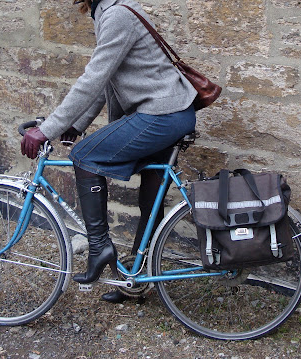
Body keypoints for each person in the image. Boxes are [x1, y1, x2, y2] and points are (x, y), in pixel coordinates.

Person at [21, 0, 197, 303]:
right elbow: (105, 82)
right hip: (171, 112)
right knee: (150, 200)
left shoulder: (116, 15)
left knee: (84, 156)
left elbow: (92, 79)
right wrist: (76, 124)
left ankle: (99, 246)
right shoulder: (114, 12)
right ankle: (136, 280)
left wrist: (47, 129)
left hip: (161, 115)